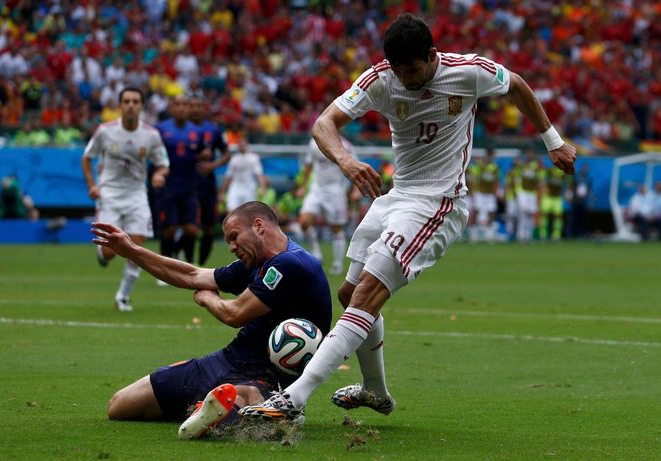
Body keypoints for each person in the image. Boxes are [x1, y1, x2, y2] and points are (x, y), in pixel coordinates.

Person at [240, 13, 576, 422]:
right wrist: (347, 162)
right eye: (398, 70)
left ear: (432, 55)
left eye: (412, 69)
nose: (405, 78)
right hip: (396, 198)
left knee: (364, 297)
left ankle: (294, 397)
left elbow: (518, 85)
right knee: (350, 296)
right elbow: (324, 123)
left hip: (439, 203)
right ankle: (376, 392)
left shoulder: (468, 72)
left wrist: (552, 141)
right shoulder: (381, 79)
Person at [90, 201, 332, 438]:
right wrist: (132, 251)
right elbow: (192, 274)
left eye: (234, 237)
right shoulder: (254, 262)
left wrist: (207, 298)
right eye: (228, 241)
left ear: (259, 226)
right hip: (228, 360)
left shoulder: (290, 263)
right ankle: (214, 407)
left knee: (243, 398)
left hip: (269, 378)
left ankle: (270, 406)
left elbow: (234, 314)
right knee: (119, 406)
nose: (232, 247)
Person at [82, 87, 169, 312]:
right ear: (120, 105)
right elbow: (87, 157)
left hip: (137, 196)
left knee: (136, 249)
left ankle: (122, 297)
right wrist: (92, 185)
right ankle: (102, 255)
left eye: (135, 101)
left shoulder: (151, 134)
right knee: (110, 253)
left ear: (141, 106)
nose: (131, 105)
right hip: (109, 195)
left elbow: (163, 163)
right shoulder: (105, 131)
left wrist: (159, 174)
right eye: (127, 101)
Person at [154, 95, 207, 270]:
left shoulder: (197, 131)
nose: (182, 108)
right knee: (169, 229)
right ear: (171, 108)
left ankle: (184, 257)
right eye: (178, 105)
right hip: (168, 187)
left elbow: (202, 152)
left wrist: (206, 157)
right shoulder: (160, 130)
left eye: (185, 104)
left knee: (192, 230)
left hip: (189, 187)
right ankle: (163, 268)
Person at [297, 136, 357, 275]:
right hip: (316, 189)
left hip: (335, 191)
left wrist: (354, 190)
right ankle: (316, 254)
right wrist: (303, 186)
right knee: (304, 222)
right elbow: (308, 165)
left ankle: (337, 264)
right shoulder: (314, 143)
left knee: (336, 229)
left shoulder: (346, 146)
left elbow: (354, 167)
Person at [187, 95, 231, 266]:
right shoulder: (182, 129)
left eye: (199, 105)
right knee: (189, 226)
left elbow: (227, 153)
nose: (195, 109)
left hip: (207, 184)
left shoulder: (213, 130)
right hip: (187, 183)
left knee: (207, 227)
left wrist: (213, 165)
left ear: (203, 109)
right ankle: (188, 260)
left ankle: (202, 262)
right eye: (192, 106)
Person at [219, 138, 268, 213]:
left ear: (246, 145)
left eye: (243, 145)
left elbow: (259, 174)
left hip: (249, 188)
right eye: (240, 145)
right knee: (231, 211)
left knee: (249, 212)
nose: (241, 146)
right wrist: (222, 192)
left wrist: (263, 187)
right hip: (235, 187)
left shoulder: (253, 158)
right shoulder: (234, 159)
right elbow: (228, 177)